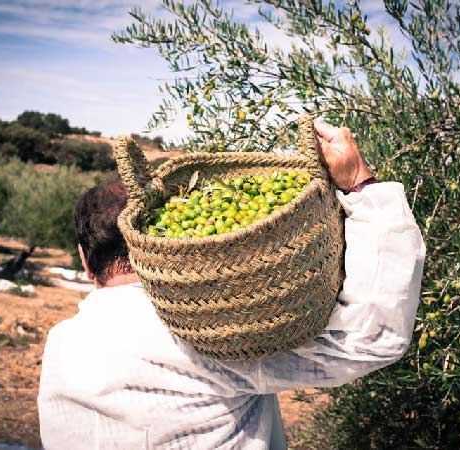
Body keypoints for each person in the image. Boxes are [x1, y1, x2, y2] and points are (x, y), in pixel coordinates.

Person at [37, 119, 426, 449]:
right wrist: (360, 184)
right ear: (168, 245)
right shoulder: (204, 334)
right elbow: (371, 337)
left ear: (85, 260)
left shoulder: (60, 344)